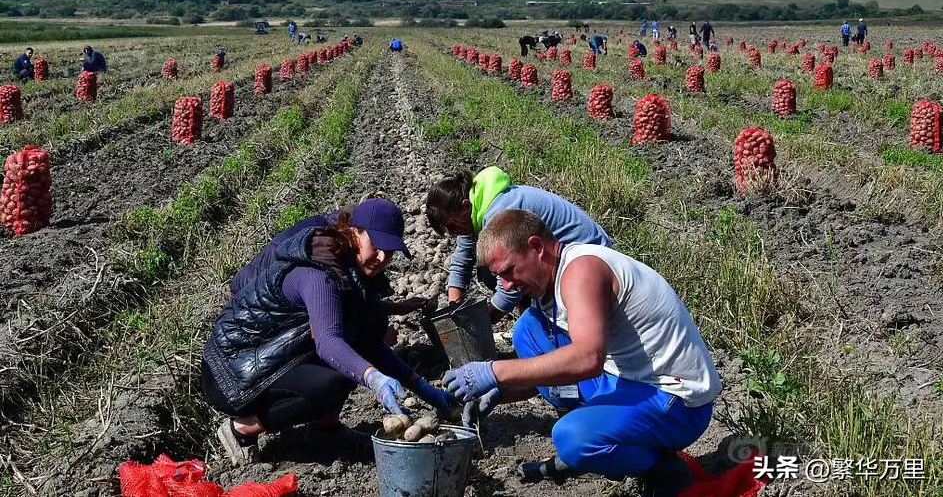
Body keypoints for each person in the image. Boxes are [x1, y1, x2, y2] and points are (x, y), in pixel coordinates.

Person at [444, 209, 722, 494]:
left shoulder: (581, 271)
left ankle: (662, 468)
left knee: (571, 438)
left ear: (536, 247)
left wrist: (494, 370)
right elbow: (557, 368)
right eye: (499, 277)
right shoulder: (551, 280)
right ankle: (603, 435)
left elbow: (588, 358)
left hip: (677, 401)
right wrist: (500, 391)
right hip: (626, 377)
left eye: (508, 271)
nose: (506, 285)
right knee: (528, 329)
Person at [203, 198, 457, 465]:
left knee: (360, 337)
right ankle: (242, 428)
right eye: (377, 246)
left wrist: (424, 389)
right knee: (330, 384)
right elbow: (327, 342)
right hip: (230, 373)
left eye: (390, 252)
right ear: (354, 232)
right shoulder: (319, 273)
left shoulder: (352, 273)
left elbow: (368, 342)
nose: (383, 258)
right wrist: (373, 378)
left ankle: (325, 430)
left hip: (270, 359)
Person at [425, 167, 611, 322]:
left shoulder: (499, 213)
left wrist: (485, 319)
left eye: (451, 226)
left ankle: (545, 321)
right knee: (489, 270)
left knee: (498, 270)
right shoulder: (474, 209)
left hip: (590, 258)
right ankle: (533, 317)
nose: (453, 233)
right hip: (560, 257)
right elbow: (462, 256)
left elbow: (513, 273)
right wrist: (454, 305)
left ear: (465, 206)